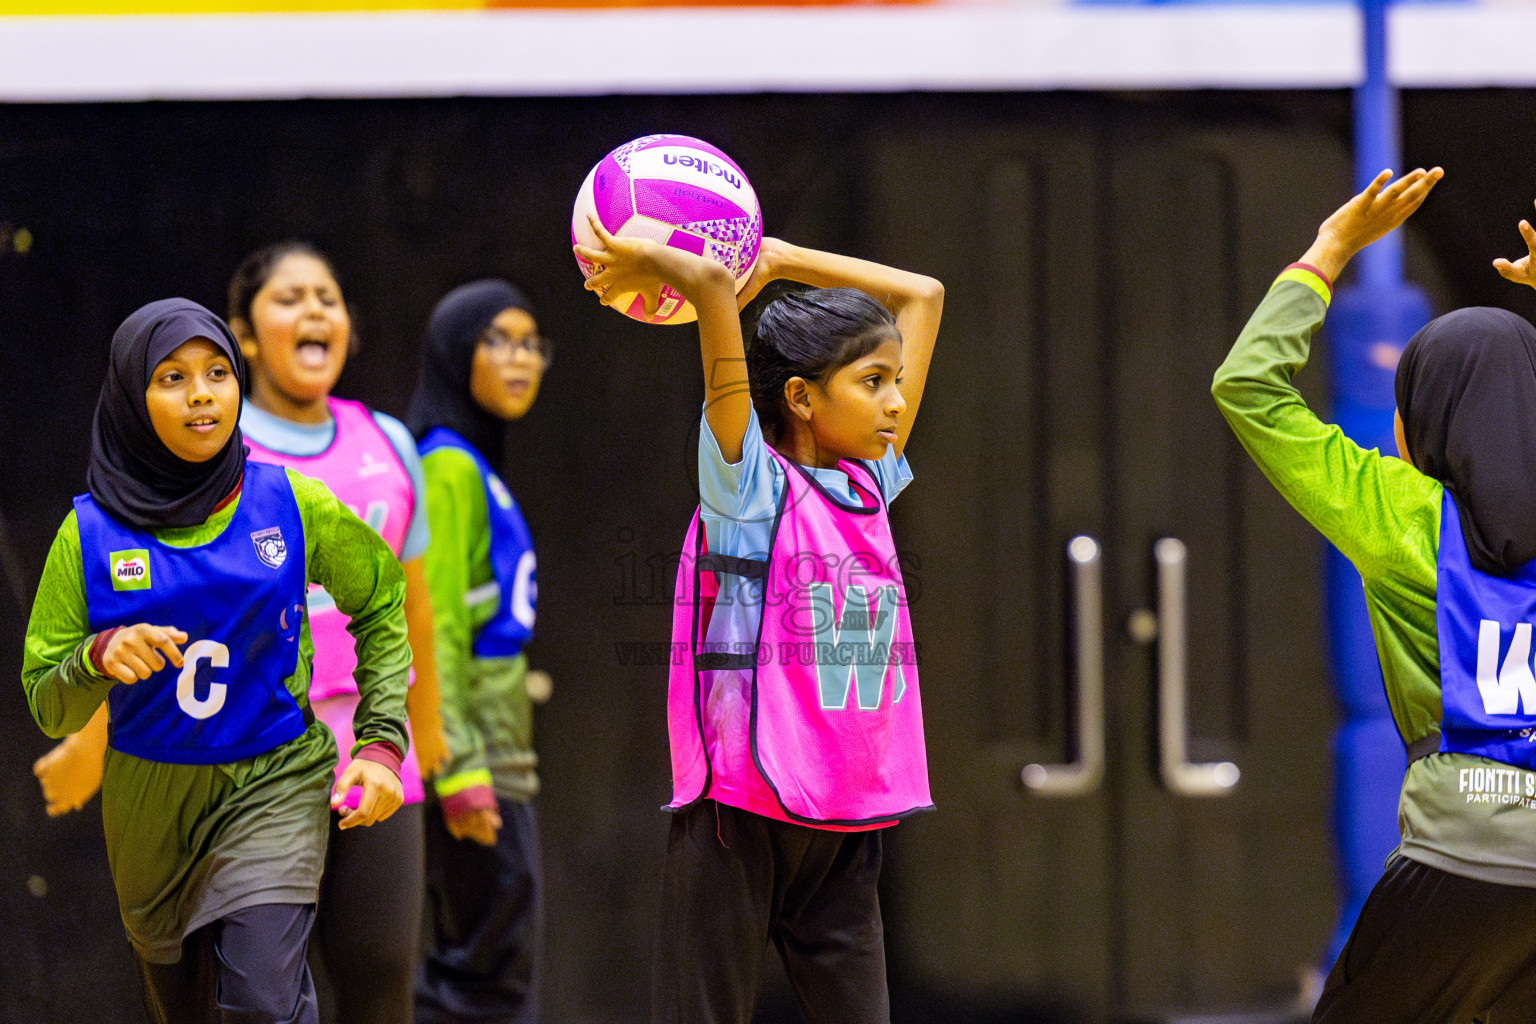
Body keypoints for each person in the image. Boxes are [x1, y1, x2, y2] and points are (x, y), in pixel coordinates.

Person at [575, 222, 943, 1024]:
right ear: (801, 398)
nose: (896, 400)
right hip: (739, 817)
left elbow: (923, 293)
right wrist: (674, 266)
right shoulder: (749, 489)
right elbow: (710, 289)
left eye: (896, 381)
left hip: (847, 821)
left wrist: (778, 260)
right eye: (874, 381)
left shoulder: (871, 484)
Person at [20, 298, 409, 1024]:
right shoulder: (89, 535)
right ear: (131, 398)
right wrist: (97, 657)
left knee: (263, 1002)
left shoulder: (289, 501)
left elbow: (383, 601)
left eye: (217, 372)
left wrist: (382, 743)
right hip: (151, 809)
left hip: (275, 779)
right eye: (171, 377)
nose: (201, 392)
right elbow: (49, 702)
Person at [1213, 165, 1536, 1021]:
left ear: (1420, 422)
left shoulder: (1401, 514)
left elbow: (1247, 388)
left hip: (1458, 857)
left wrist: (1328, 250)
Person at [228, 240, 449, 1024]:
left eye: (328, 296)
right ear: (244, 335)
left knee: (382, 980)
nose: (315, 309)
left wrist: (428, 737)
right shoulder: (216, 450)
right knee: (258, 995)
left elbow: (413, 603)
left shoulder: (390, 443)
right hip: (255, 764)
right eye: (289, 298)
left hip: (378, 759)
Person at [406, 279, 551, 1024]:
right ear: (456, 354)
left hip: (502, 752)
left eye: (531, 343)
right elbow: (430, 626)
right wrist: (458, 764)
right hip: (475, 759)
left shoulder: (476, 466)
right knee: (482, 978)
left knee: (497, 969)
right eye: (499, 340)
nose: (520, 358)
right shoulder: (448, 467)